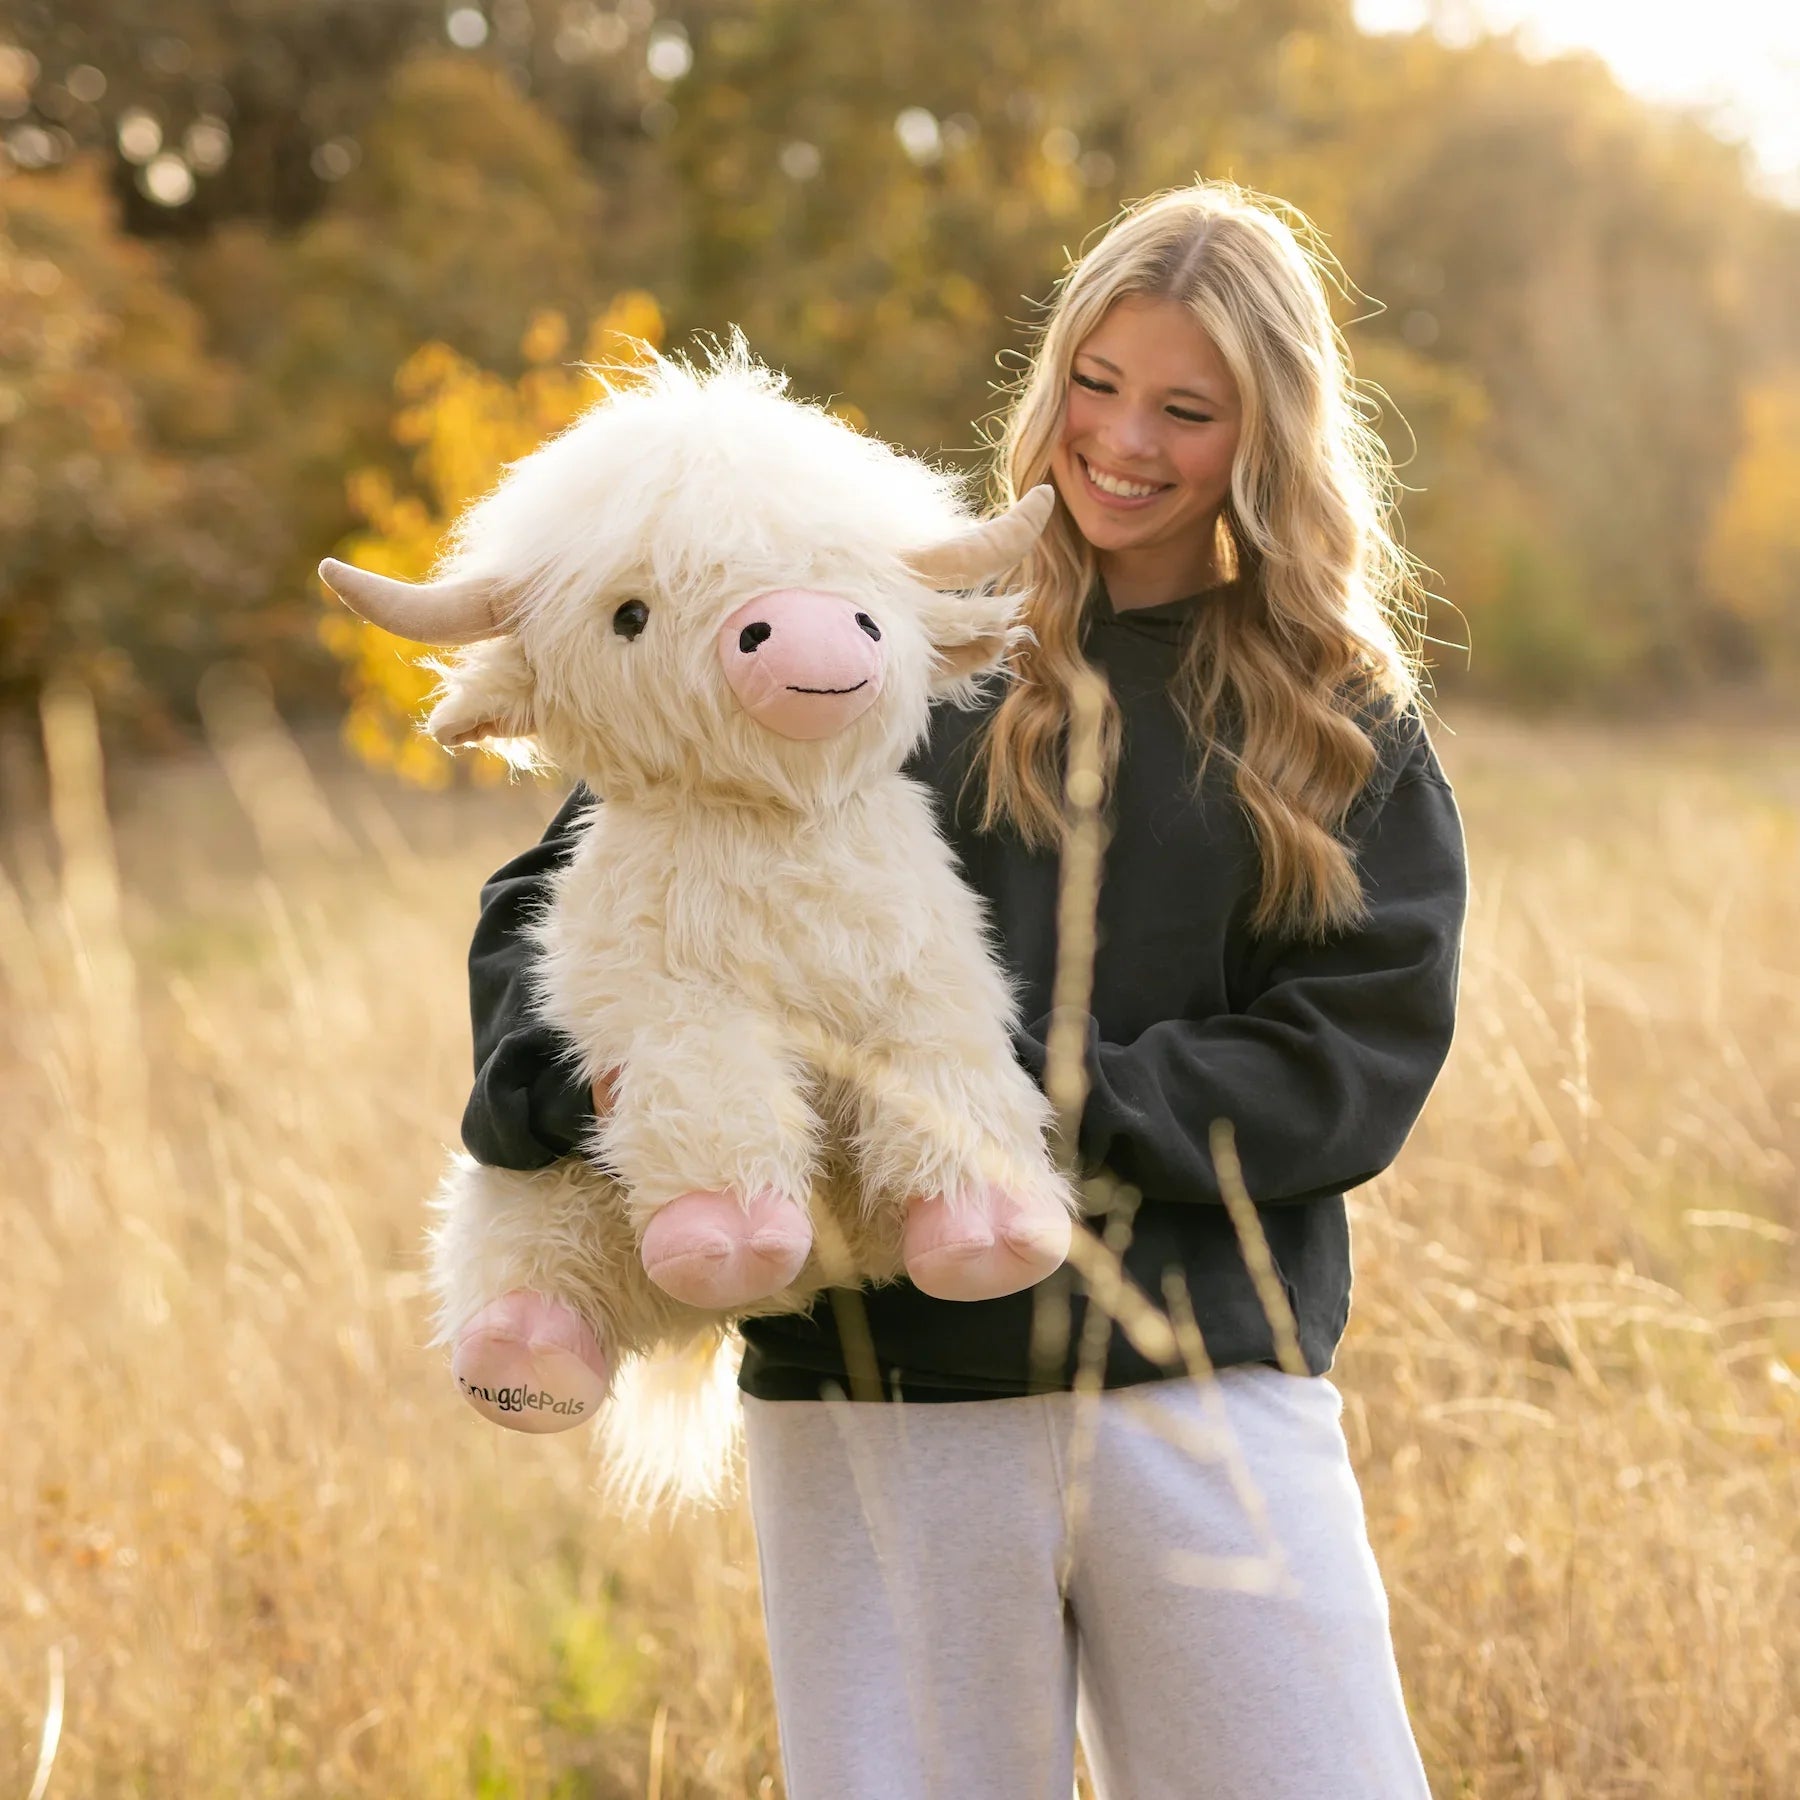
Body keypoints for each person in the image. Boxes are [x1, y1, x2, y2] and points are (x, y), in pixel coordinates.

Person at [459, 181, 1467, 1800]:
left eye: (1186, 409)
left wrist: (1008, 1108)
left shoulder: (1333, 710)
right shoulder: (884, 613)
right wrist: (597, 1086)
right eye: (1095, 383)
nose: (1123, 440)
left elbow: (1361, 1042)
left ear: (1266, 434)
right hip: (884, 1393)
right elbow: (564, 892)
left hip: (1200, 1386)